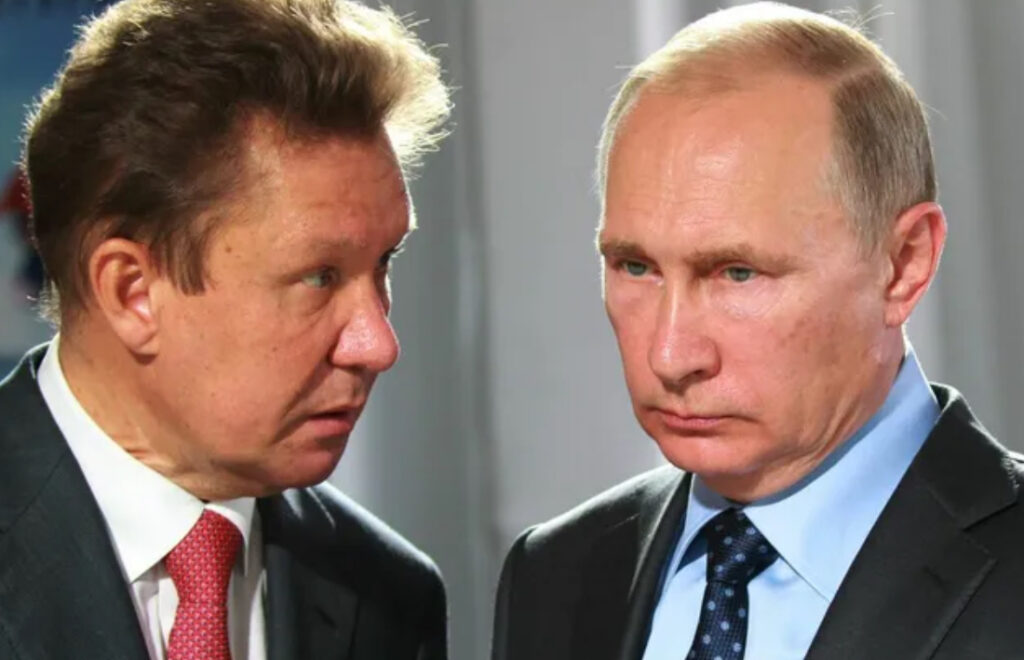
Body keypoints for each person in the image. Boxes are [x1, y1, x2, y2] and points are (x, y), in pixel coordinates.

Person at [492, 3, 1024, 659]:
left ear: (903, 265)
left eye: (737, 273)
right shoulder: (556, 574)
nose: (670, 355)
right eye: (635, 267)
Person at [0, 0, 450, 658]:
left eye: (383, 263)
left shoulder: (388, 594)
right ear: (132, 292)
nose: (378, 345)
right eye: (319, 276)